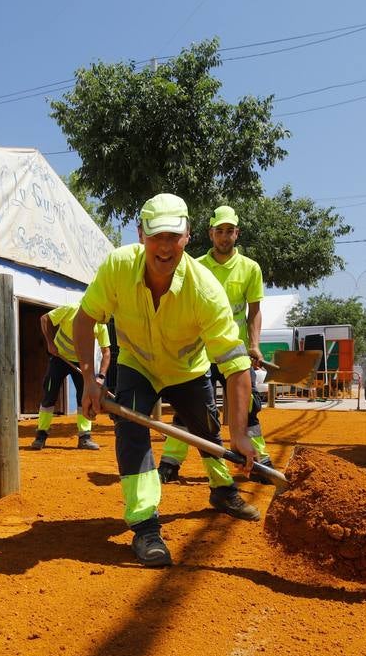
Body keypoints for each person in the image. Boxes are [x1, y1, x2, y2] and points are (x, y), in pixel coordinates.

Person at [73, 193, 260, 567]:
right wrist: (91, 380)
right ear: (141, 234)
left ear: (188, 236)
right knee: (131, 431)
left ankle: (222, 490)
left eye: (173, 236)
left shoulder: (205, 289)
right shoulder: (117, 267)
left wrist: (240, 432)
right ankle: (144, 526)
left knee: (208, 431)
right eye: (156, 235)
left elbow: (237, 365)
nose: (164, 247)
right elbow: (84, 319)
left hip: (188, 368)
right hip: (137, 363)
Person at [158, 205, 275, 484]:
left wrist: (255, 345)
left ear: (237, 233)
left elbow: (254, 311)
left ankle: (259, 462)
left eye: (229, 231)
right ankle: (171, 463)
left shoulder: (250, 269)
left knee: (247, 406)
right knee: (189, 407)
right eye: (219, 231)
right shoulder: (194, 266)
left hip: (236, 352)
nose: (224, 237)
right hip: (200, 351)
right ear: (210, 234)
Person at [29, 303, 111, 450]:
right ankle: (41, 435)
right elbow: (44, 319)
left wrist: (101, 376)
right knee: (49, 395)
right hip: (59, 358)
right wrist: (50, 343)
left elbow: (106, 353)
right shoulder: (71, 309)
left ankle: (84, 437)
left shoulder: (100, 325)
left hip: (81, 363)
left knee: (84, 397)